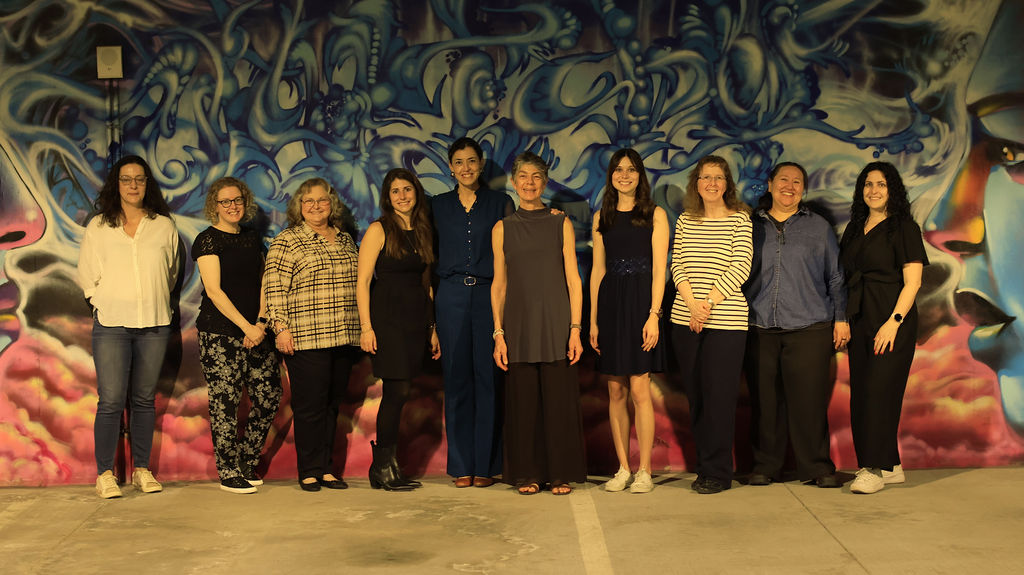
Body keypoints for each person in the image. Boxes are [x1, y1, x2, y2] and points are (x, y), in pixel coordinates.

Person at [78, 155, 179, 499]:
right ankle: (105, 473)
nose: (133, 185)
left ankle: (141, 470)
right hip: (111, 324)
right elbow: (87, 274)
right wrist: (100, 301)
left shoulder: (163, 226)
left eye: (139, 179)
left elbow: (171, 272)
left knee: (144, 400)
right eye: (126, 179)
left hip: (154, 323)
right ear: (116, 184)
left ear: (147, 184)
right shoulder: (99, 226)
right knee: (110, 401)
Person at [743, 162, 849, 489]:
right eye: (783, 180)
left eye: (797, 182)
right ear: (770, 184)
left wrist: (841, 318)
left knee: (809, 403)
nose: (789, 186)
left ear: (803, 189)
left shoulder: (818, 227)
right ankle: (765, 466)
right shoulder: (749, 225)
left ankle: (817, 466)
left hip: (810, 327)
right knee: (765, 403)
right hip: (759, 326)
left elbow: (835, 276)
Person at [492, 151, 586, 495]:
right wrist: (498, 333)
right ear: (514, 182)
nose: (529, 183)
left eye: (536, 177)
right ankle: (527, 473)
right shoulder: (502, 228)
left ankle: (559, 473)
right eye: (523, 176)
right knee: (524, 405)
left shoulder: (560, 223)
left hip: (556, 324)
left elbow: (574, 280)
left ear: (544, 183)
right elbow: (499, 285)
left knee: (558, 404)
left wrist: (575, 329)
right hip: (518, 326)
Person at [264, 177, 360, 492]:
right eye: (309, 201)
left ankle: (327, 469)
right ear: (299, 206)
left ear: (332, 204)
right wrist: (281, 328)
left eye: (322, 200)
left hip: (344, 336)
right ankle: (309, 470)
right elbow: (274, 289)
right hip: (307, 337)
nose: (316, 206)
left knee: (332, 405)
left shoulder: (345, 240)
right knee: (310, 407)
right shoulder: (287, 241)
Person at [840, 161, 927, 494]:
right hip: (860, 318)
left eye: (881, 184)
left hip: (891, 319)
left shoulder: (904, 227)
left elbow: (913, 282)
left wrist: (894, 322)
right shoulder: (854, 228)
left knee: (879, 394)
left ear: (893, 190)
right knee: (863, 393)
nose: (873, 190)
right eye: (868, 184)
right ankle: (890, 465)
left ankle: (872, 469)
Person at [432, 137, 513, 488]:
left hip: (488, 295)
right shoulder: (437, 206)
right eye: (458, 162)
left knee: (488, 380)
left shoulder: (500, 203)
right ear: (451, 168)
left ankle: (486, 465)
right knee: (456, 379)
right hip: (449, 296)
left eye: (471, 161)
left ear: (480, 164)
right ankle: (461, 465)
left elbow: (515, 248)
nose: (465, 168)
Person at [192, 177, 282, 494]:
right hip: (220, 333)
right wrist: (247, 328)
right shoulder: (207, 240)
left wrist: (260, 323)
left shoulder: (252, 238)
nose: (232, 206)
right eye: (225, 201)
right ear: (214, 206)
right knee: (225, 404)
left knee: (269, 396)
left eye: (238, 200)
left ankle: (245, 462)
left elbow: (265, 281)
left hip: (257, 331)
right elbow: (214, 291)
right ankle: (228, 471)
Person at [669, 155, 752, 494]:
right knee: (698, 398)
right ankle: (703, 468)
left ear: (727, 184)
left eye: (718, 177)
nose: (712, 183)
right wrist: (692, 305)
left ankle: (718, 472)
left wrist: (707, 305)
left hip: (726, 322)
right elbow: (677, 265)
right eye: (706, 177)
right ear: (697, 183)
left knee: (719, 398)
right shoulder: (685, 221)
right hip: (685, 319)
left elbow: (741, 266)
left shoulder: (740, 220)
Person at [589, 148, 669, 494]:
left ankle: (645, 471)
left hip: (641, 304)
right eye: (619, 169)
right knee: (615, 390)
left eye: (631, 169)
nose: (625, 175)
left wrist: (654, 315)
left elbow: (660, 270)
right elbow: (597, 271)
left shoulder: (654, 214)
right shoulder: (601, 216)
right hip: (611, 305)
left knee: (639, 388)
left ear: (640, 175)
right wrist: (593, 321)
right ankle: (623, 468)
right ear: (611, 175)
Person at [357, 168, 440, 491]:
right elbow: (363, 282)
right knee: (397, 391)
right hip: (388, 319)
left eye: (407, 189)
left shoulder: (423, 230)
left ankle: (387, 466)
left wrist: (431, 327)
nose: (402, 196)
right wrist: (366, 327)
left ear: (416, 193)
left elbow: (426, 283)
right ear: (387, 197)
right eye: (395, 191)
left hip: (415, 319)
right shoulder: (379, 229)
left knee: (401, 392)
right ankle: (383, 466)